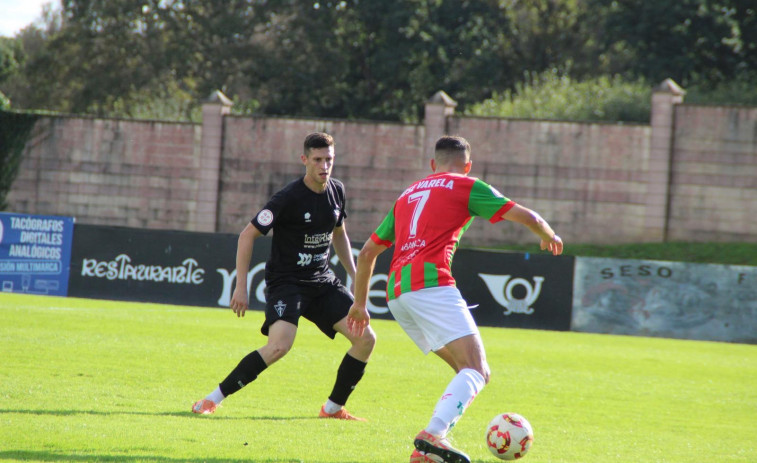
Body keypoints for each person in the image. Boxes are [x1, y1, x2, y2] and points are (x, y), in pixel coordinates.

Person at [346, 135, 563, 463]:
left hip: (397, 296)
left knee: (469, 370)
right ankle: (432, 435)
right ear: (468, 165)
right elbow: (526, 216)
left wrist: (360, 304)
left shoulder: (407, 195)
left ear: (433, 164)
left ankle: (428, 451)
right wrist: (549, 234)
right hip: (431, 286)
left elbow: (366, 253)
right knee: (476, 368)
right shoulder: (467, 185)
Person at [193, 132, 376, 421]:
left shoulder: (337, 191)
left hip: (322, 281)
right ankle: (211, 399)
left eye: (328, 159)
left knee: (366, 339)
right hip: (287, 283)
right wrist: (241, 287)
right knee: (279, 346)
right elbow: (247, 235)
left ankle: (332, 409)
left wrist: (355, 274)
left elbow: (339, 233)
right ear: (305, 160)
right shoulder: (287, 198)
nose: (324, 166)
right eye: (317, 160)